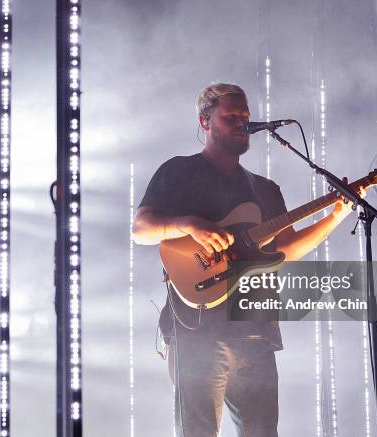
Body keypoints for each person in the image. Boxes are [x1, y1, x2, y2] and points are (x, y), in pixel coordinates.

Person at [132, 83, 362, 437]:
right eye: (232, 117)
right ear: (205, 121)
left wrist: (336, 216)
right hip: (199, 329)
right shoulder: (179, 171)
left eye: (246, 117)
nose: (242, 123)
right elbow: (141, 229)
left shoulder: (264, 188)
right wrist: (188, 224)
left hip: (256, 331)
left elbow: (288, 250)